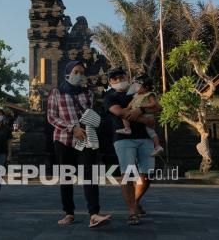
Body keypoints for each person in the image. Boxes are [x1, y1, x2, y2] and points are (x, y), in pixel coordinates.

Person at [47, 61, 111, 228]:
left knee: (89, 175)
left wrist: (84, 128)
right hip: (63, 139)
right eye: (76, 71)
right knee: (66, 177)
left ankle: (94, 214)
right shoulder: (56, 92)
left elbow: (89, 114)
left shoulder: (87, 93)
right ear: (68, 73)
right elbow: (52, 117)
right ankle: (69, 213)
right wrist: (71, 127)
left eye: (82, 72)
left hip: (84, 138)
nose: (79, 75)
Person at [104, 67, 158, 225]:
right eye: (114, 78)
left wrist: (141, 109)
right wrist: (145, 120)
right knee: (127, 173)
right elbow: (121, 113)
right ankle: (132, 211)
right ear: (110, 82)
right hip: (123, 137)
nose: (119, 80)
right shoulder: (109, 96)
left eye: (121, 76)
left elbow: (156, 106)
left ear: (127, 77)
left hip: (145, 137)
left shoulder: (140, 92)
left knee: (147, 174)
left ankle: (135, 201)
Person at [116, 74, 164, 157]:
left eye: (138, 86)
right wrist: (126, 109)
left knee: (151, 132)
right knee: (124, 115)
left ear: (146, 87)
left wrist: (143, 107)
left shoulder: (149, 94)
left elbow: (154, 104)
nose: (136, 88)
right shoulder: (136, 95)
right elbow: (131, 104)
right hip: (138, 114)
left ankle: (158, 146)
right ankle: (127, 129)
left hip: (147, 115)